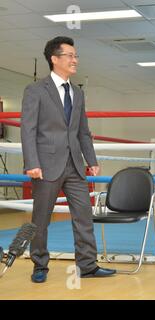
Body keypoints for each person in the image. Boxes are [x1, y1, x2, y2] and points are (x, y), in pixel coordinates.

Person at [21, 36, 116, 283]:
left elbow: (82, 130)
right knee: (40, 219)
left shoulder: (77, 92)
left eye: (76, 56)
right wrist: (31, 162)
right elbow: (28, 129)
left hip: (74, 164)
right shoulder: (35, 90)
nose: (75, 60)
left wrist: (91, 159)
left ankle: (87, 264)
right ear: (55, 59)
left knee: (83, 216)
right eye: (70, 56)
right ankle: (39, 265)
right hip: (45, 165)